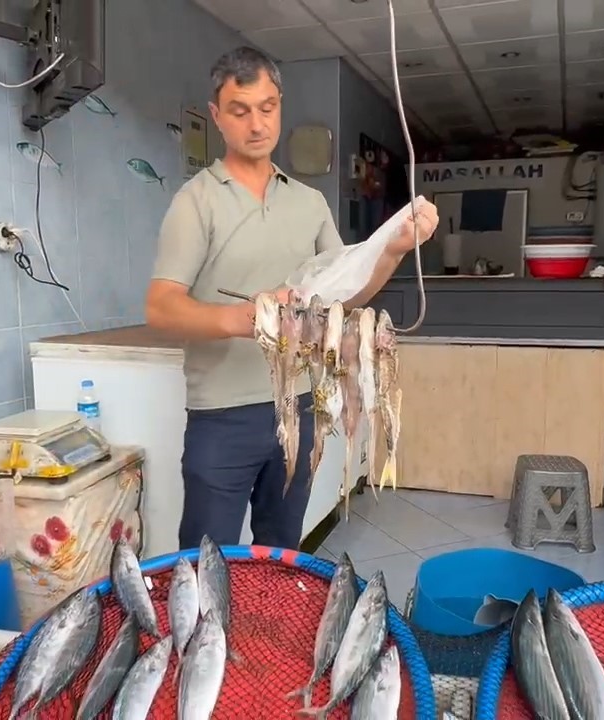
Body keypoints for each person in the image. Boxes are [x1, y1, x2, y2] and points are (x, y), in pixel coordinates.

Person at [144, 46, 439, 551]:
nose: (257, 124)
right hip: (223, 415)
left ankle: (271, 630)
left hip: (301, 407)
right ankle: (204, 633)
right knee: (205, 557)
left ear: (280, 104)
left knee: (282, 550)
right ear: (216, 116)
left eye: (268, 107)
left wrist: (391, 249)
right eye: (240, 111)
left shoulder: (309, 202)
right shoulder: (196, 201)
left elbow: (345, 291)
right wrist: (250, 318)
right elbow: (160, 307)